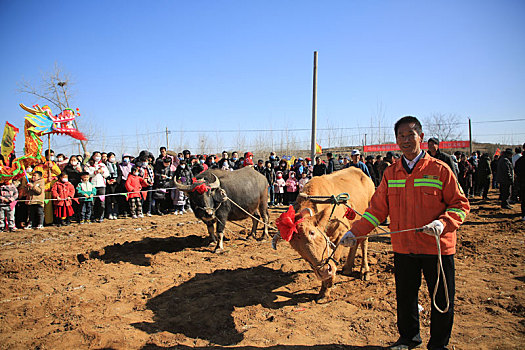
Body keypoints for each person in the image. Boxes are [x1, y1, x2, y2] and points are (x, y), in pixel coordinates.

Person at [340, 116, 470, 350]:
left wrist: (443, 223)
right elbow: (376, 211)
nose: (406, 140)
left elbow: (460, 205)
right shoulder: (391, 173)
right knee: (406, 297)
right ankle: (409, 339)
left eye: (411, 135)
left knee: (441, 299)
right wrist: (355, 232)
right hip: (404, 247)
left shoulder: (440, 170)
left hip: (437, 248)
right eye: (401, 136)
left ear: (421, 137)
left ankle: (439, 345)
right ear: (396, 141)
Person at [85, 152, 109, 222]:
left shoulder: (102, 165)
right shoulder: (88, 164)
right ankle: (92, 217)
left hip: (101, 186)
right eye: (96, 156)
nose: (98, 157)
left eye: (99, 156)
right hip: (92, 186)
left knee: (102, 203)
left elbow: (107, 174)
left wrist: (102, 171)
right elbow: (87, 174)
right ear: (93, 156)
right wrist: (95, 172)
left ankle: (101, 216)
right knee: (92, 203)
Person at [104, 152, 120, 220]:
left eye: (113, 157)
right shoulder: (105, 164)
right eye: (111, 157)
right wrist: (107, 180)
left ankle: (115, 212)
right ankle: (109, 213)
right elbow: (104, 173)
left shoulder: (116, 164)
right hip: (108, 184)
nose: (112, 158)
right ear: (108, 158)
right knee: (109, 199)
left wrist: (116, 180)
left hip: (116, 184)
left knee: (116, 199)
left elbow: (120, 173)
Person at [513, 143, 525, 221]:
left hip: (522, 182)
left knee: (524, 199)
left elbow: (516, 170)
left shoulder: (520, 160)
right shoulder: (520, 159)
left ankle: (524, 215)